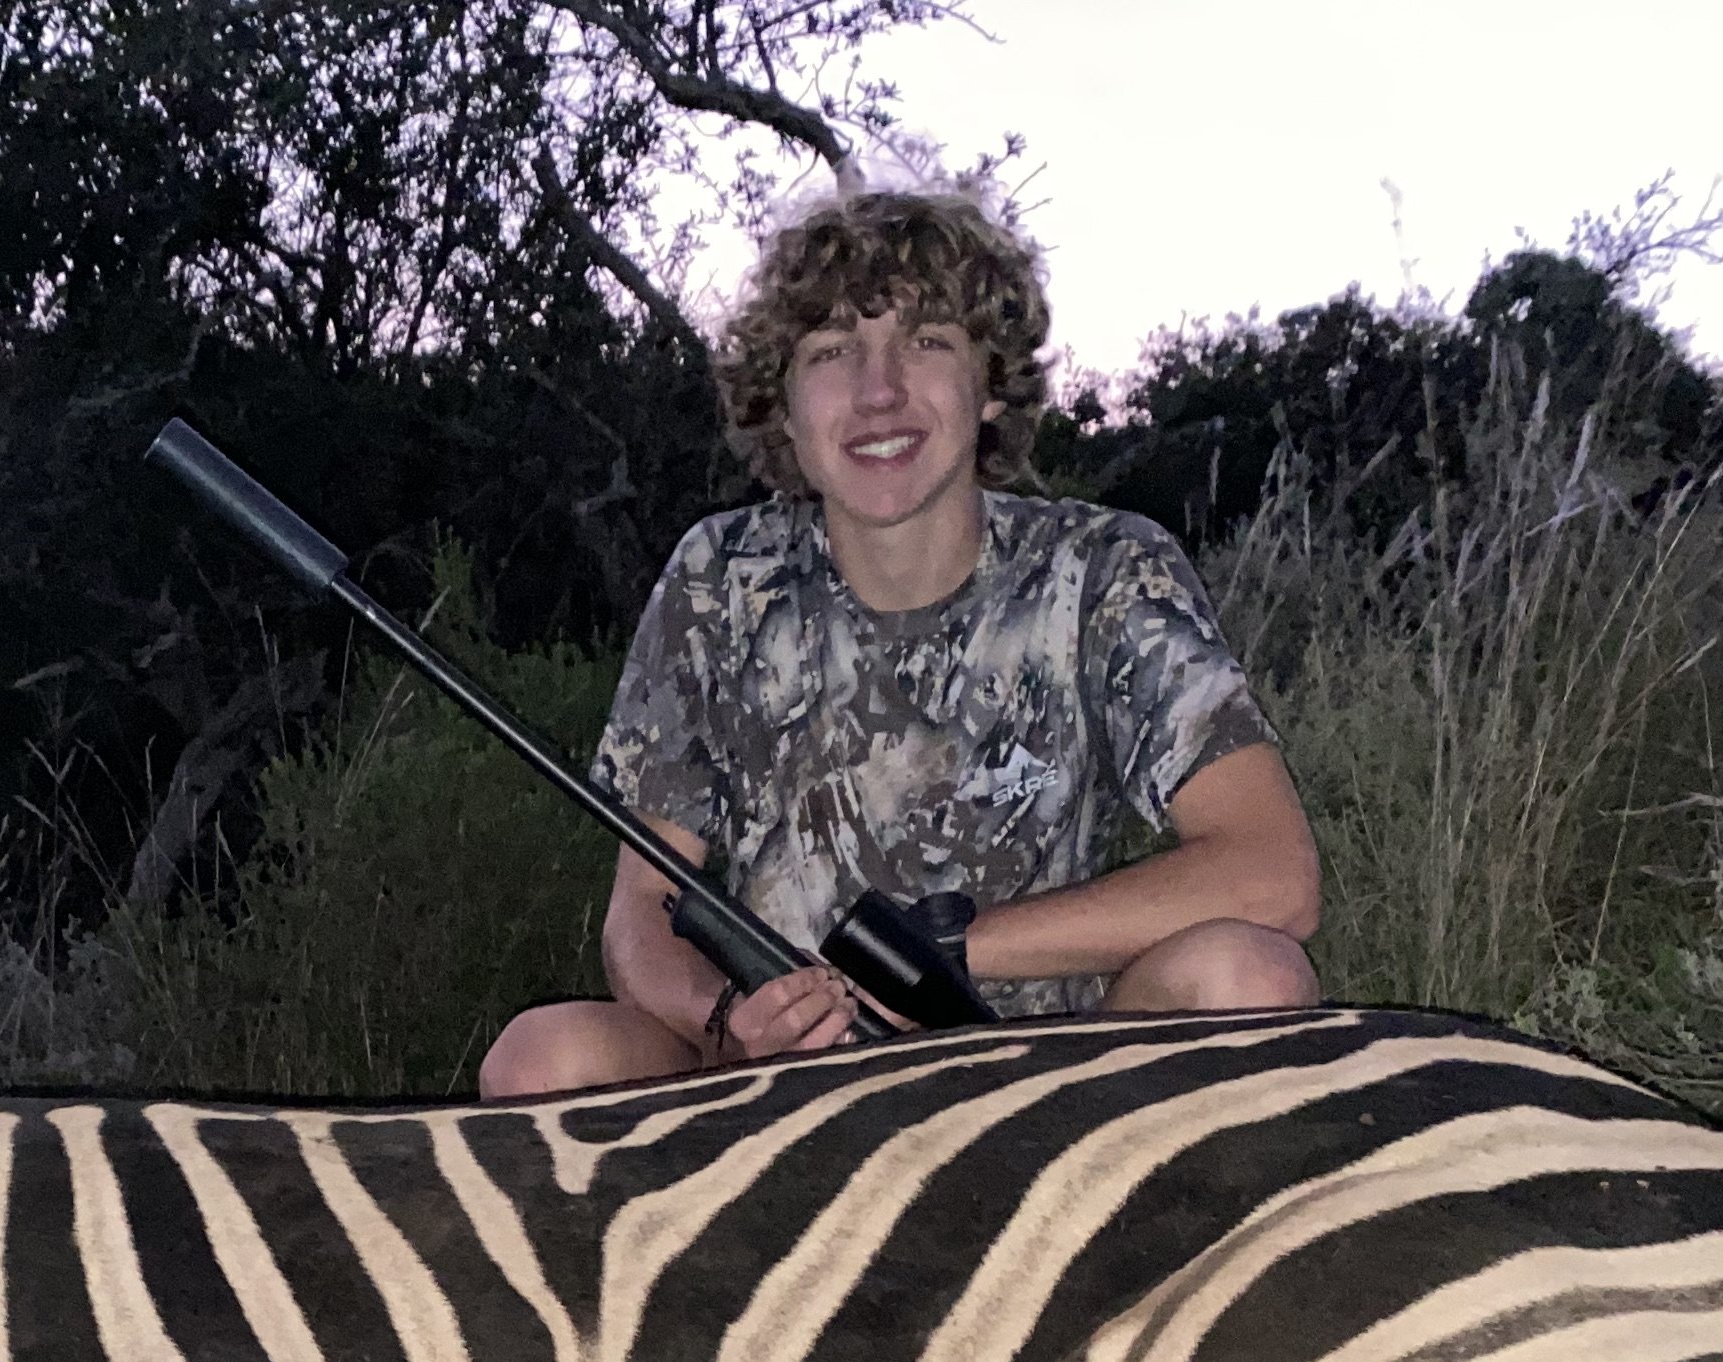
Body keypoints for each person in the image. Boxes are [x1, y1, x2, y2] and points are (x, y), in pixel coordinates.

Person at [481, 189, 1323, 1097]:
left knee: (1253, 978)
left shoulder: (1104, 570)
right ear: (785, 406)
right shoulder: (719, 577)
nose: (879, 393)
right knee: (541, 1059)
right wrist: (725, 1020)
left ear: (989, 384)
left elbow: (1272, 875)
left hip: (1048, 1081)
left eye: (925, 341)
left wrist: (949, 950)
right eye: (834, 351)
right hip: (783, 1085)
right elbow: (640, 913)